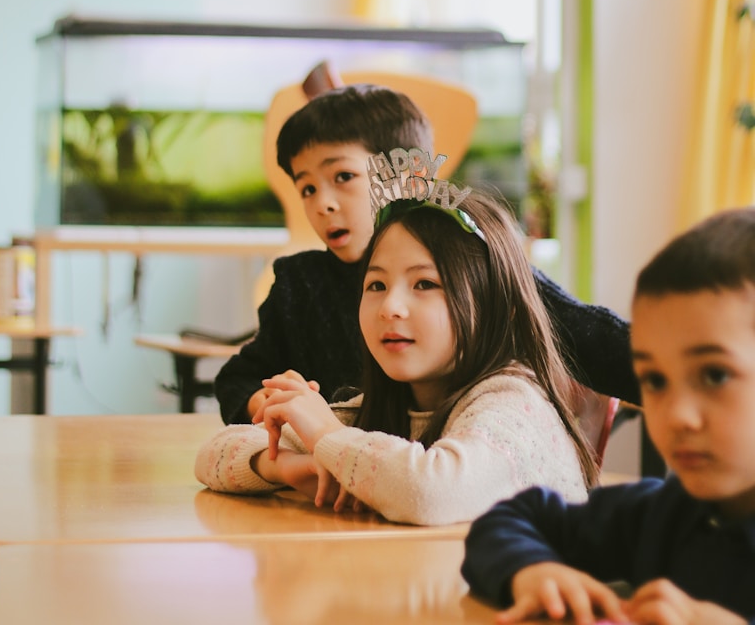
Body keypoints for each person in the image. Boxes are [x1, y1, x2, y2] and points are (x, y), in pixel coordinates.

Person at [214, 84, 638, 425]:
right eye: (307, 187)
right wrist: (272, 403)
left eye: (343, 176)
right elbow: (238, 378)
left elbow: (599, 342)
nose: (321, 203)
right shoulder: (299, 284)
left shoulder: (473, 264)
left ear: (411, 180)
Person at [196, 181, 596, 525]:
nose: (391, 307)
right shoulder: (386, 407)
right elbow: (213, 456)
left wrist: (326, 434)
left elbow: (431, 491)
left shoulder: (512, 405)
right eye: (376, 285)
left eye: (424, 284)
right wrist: (288, 465)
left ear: (497, 306)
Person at [461, 207, 755, 625]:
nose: (677, 415)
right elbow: (512, 519)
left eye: (714, 375)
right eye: (655, 380)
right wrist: (534, 571)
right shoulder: (668, 514)